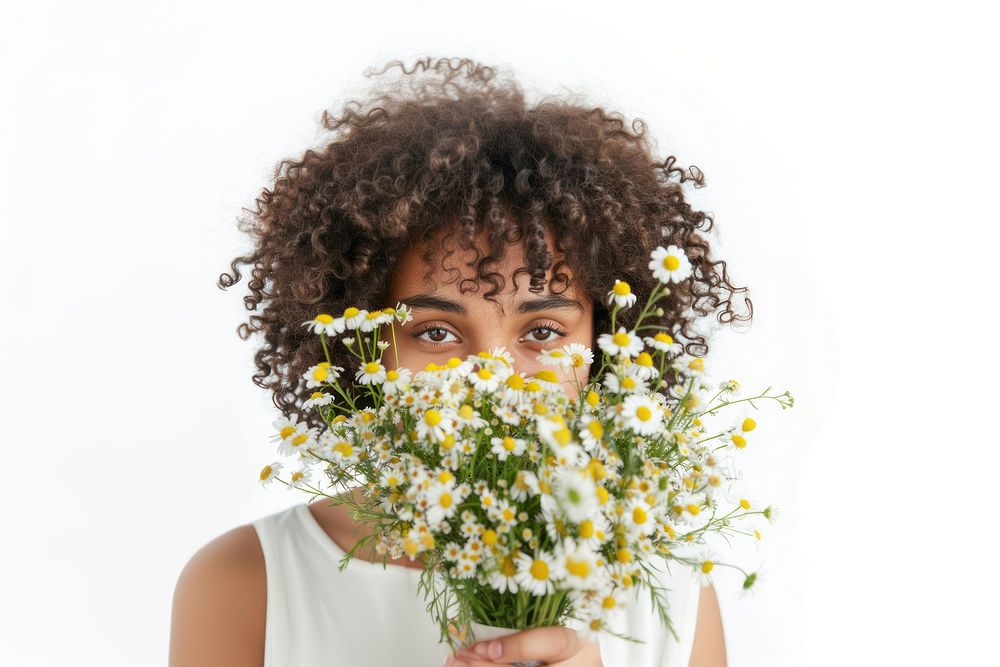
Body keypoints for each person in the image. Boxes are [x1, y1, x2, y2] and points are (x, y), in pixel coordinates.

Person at [170, 56, 748, 667]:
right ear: (361, 345)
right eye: (438, 332)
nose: (492, 378)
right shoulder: (246, 585)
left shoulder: (669, 592)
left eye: (545, 330)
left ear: (607, 343)